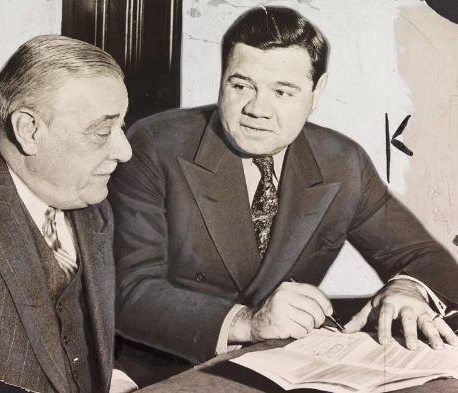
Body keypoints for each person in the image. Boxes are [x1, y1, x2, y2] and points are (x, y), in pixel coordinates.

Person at [109, 5, 458, 382]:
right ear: (222, 78)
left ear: (317, 91)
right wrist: (247, 321)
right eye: (240, 85)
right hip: (168, 371)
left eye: (283, 91)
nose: (257, 109)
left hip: (287, 370)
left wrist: (407, 287)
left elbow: (424, 255)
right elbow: (128, 289)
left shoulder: (341, 160)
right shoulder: (155, 144)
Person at [0, 35, 135, 393]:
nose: (125, 150)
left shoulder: (92, 206)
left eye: (122, 126)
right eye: (102, 131)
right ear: (28, 131)